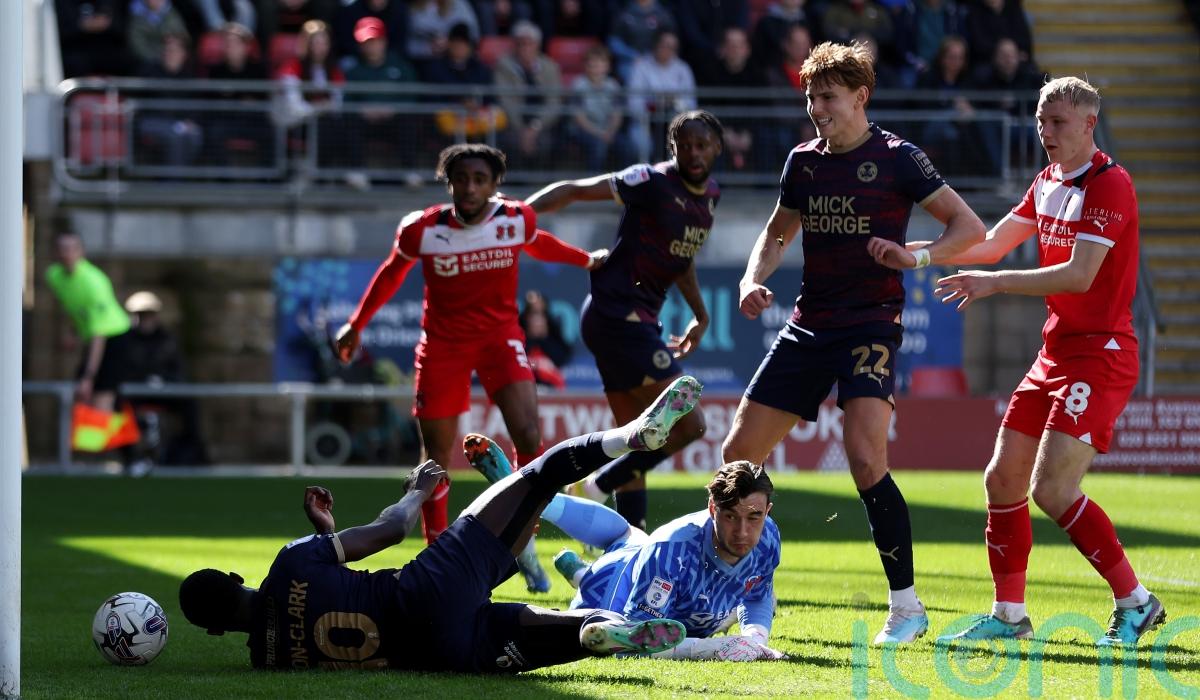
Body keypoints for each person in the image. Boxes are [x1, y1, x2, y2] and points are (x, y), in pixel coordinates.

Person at [875, 77, 1165, 645]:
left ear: (1089, 124)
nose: (1045, 131)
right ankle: (1009, 616)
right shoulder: (1047, 180)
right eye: (1040, 120)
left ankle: (1136, 602)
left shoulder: (1109, 184)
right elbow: (989, 243)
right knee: (1002, 478)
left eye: (1057, 122)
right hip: (1056, 351)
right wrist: (914, 255)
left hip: (1101, 354)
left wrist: (995, 283)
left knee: (1053, 490)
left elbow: (1079, 276)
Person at [721, 41, 985, 644]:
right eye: (811, 98)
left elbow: (969, 227)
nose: (817, 109)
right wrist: (750, 279)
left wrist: (917, 257)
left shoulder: (899, 158)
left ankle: (907, 608)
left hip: (870, 324)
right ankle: (734, 589)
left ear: (861, 97)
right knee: (737, 456)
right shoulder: (802, 162)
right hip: (809, 325)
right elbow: (777, 232)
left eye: (828, 97)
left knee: (865, 458)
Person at [177, 376, 701, 671]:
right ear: (234, 578)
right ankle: (634, 435)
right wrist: (417, 491)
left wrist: (326, 535)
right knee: (541, 474)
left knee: (548, 632)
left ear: (217, 629)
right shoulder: (290, 564)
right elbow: (389, 532)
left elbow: (302, 611)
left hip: (438, 651)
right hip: (427, 589)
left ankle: (594, 631)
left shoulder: (268, 660)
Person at [333, 144, 605, 588]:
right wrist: (356, 323)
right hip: (443, 346)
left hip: (500, 340)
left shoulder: (515, 219)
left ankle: (521, 534)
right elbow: (392, 272)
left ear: (495, 185)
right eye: (461, 179)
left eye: (480, 179)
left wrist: (586, 260)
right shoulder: (422, 229)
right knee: (437, 456)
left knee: (529, 435)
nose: (470, 188)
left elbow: (541, 244)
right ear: (450, 184)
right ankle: (437, 552)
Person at [524, 110, 724, 530]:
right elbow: (575, 190)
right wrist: (516, 215)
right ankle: (596, 485)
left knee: (634, 438)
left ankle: (631, 544)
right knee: (689, 423)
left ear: (717, 148)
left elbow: (682, 260)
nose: (693, 153)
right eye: (684, 146)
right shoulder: (651, 180)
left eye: (702, 145)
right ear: (672, 149)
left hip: (628, 320)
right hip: (618, 315)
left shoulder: (711, 196)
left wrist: (701, 315)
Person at [463, 433, 785, 662]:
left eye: (754, 517)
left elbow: (757, 596)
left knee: (629, 534)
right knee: (625, 539)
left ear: (767, 512)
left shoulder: (768, 537)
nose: (743, 532)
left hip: (647, 571)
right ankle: (534, 496)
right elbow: (639, 640)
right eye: (730, 516)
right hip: (609, 593)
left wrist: (755, 640)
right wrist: (713, 649)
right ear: (713, 509)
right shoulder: (671, 550)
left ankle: (574, 565)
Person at [45, 231, 132, 414]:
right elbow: (73, 307)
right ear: (55, 252)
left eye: (72, 248)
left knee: (100, 397)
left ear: (81, 252)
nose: (67, 253)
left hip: (114, 338)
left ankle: (104, 428)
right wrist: (72, 331)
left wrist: (89, 377)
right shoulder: (54, 276)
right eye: (62, 248)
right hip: (92, 338)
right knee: (81, 396)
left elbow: (99, 334)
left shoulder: (94, 282)